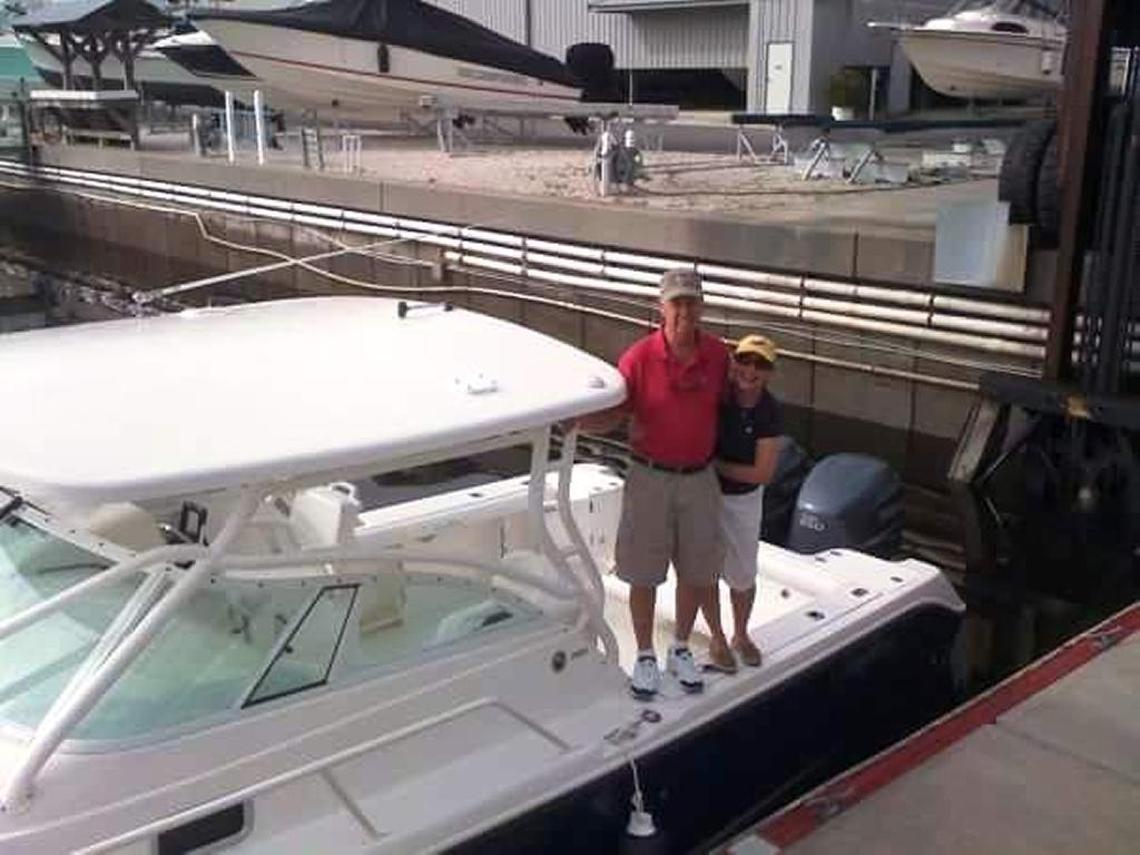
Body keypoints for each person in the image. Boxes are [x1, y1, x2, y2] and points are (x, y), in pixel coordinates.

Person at [581, 268, 729, 699]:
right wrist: (576, 424)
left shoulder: (719, 356)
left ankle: (680, 647)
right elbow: (615, 413)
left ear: (701, 308)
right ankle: (645, 653)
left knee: (697, 570)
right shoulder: (639, 358)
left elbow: (732, 406)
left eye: (691, 302)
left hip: (699, 478)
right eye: (676, 302)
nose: (684, 310)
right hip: (649, 477)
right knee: (643, 573)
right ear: (660, 307)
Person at [704, 334, 783, 672]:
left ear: (769, 374)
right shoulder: (717, 396)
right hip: (705, 493)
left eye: (761, 365)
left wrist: (715, 465)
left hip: (743, 500)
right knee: (703, 568)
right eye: (745, 361)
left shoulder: (770, 411)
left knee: (743, 573)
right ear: (733, 362)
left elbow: (762, 473)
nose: (750, 370)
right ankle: (717, 636)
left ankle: (740, 633)